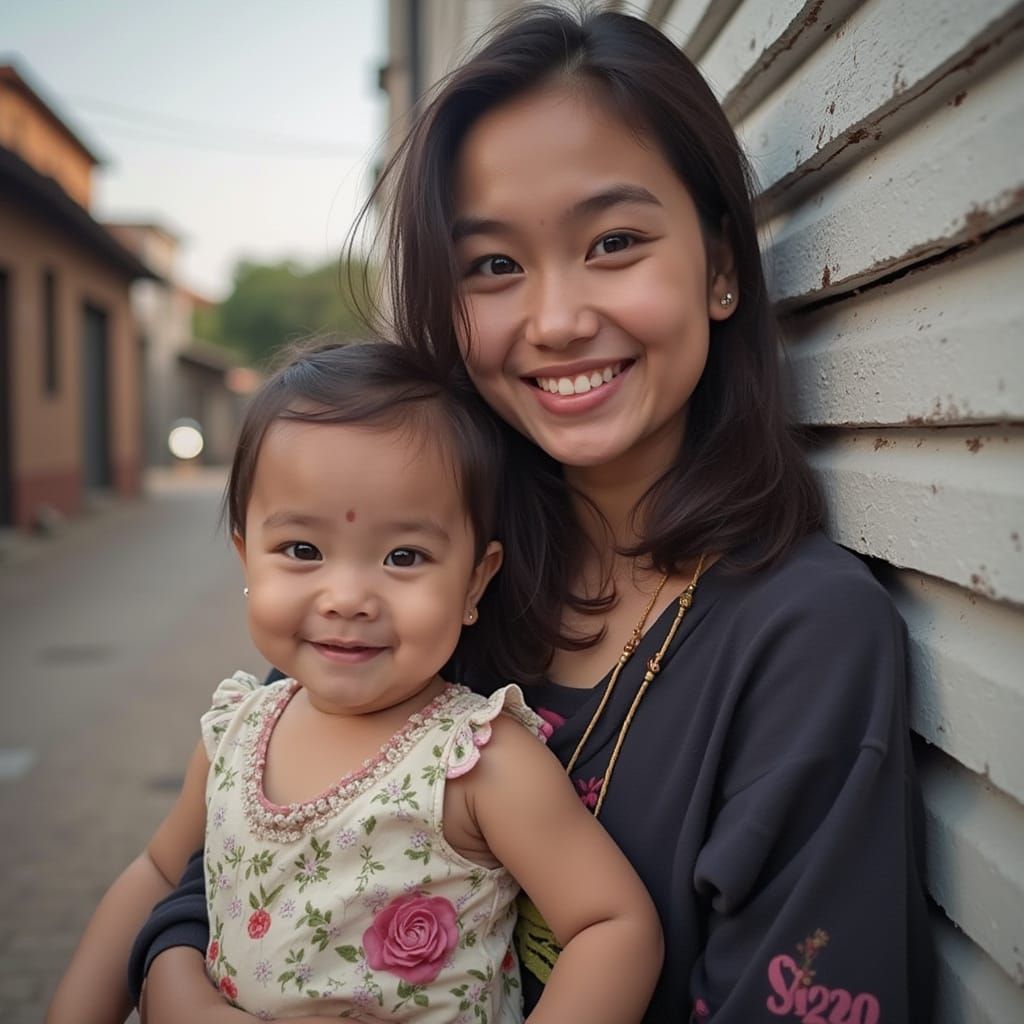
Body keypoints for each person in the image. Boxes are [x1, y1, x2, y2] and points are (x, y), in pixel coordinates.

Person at [133, 6, 934, 1022]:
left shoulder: (804, 638)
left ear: (722, 267)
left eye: (614, 241)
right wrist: (177, 992)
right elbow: (217, 849)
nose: (555, 320)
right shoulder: (422, 565)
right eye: (495, 266)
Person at [47, 342, 663, 1024]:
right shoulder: (235, 734)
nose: (346, 597)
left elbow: (613, 925)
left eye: (404, 556)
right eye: (302, 551)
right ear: (247, 556)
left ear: (475, 580)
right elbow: (160, 875)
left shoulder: (475, 761)